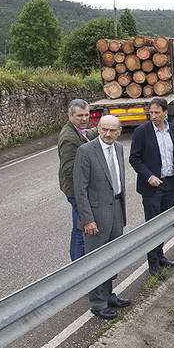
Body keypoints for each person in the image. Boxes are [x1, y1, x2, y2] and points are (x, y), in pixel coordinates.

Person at [73, 115, 131, 319]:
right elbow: (79, 189)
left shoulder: (119, 148)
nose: (107, 134)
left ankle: (108, 295)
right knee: (97, 260)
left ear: (119, 132)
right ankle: (97, 303)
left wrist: (121, 212)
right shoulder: (86, 151)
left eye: (112, 130)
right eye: (104, 129)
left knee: (112, 256)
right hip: (96, 215)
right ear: (98, 129)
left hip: (116, 208)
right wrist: (87, 219)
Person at [129, 97, 174, 279]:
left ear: (165, 113)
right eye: (150, 112)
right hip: (152, 186)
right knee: (152, 225)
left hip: (171, 183)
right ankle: (152, 264)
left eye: (157, 112)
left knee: (164, 224)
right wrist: (149, 176)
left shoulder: (173, 129)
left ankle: (160, 256)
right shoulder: (141, 132)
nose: (153, 116)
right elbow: (134, 158)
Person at [58, 99, 98, 261]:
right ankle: (78, 265)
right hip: (75, 191)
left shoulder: (77, 131)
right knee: (80, 228)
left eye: (87, 115)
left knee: (80, 226)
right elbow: (69, 171)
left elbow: (87, 134)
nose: (84, 119)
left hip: (79, 190)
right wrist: (81, 195)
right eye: (79, 115)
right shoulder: (68, 138)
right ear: (70, 116)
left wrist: (100, 129)